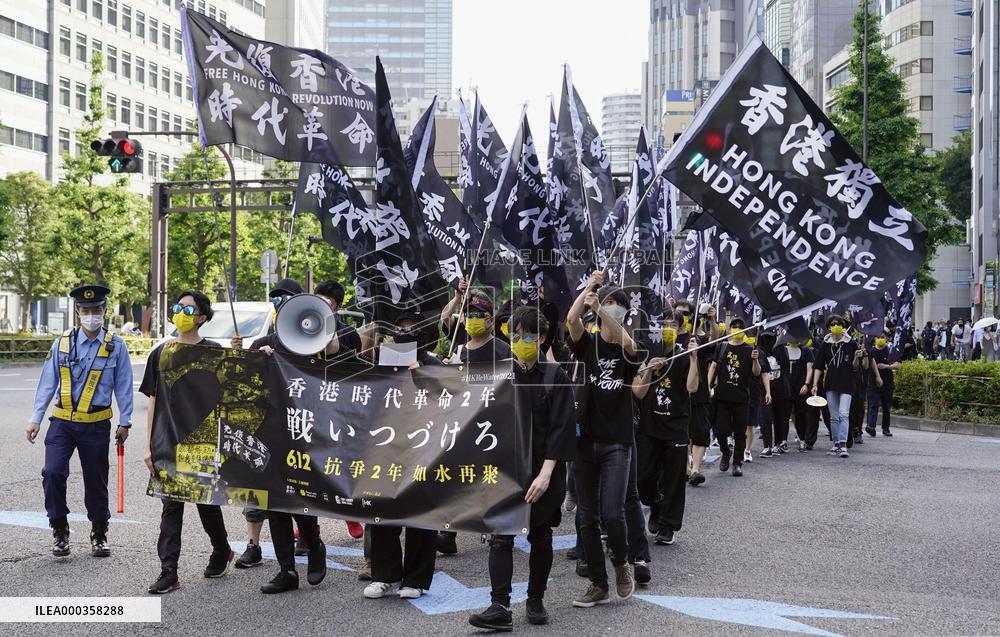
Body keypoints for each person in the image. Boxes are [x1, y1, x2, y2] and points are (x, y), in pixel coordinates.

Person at [468, 306, 576, 631]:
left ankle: (535, 598)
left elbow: (562, 428)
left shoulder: (555, 375)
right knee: (501, 538)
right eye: (514, 334)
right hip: (506, 472)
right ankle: (499, 606)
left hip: (545, 473)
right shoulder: (501, 373)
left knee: (540, 538)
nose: (519, 341)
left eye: (527, 335)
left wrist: (545, 474)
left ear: (542, 338)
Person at [26, 284, 133, 558]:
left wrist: (126, 421)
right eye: (86, 310)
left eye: (96, 310)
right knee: (52, 472)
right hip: (62, 422)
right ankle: (59, 529)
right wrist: (35, 418)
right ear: (77, 312)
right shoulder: (61, 344)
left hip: (96, 424)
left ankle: (99, 532)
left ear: (104, 311)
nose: (91, 315)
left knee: (96, 480)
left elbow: (123, 386)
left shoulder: (116, 347)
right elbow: (47, 384)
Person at [143, 291, 235, 594]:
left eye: (188, 308)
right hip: (167, 442)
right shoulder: (162, 352)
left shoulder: (213, 351)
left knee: (206, 502)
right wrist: (149, 446)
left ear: (201, 318)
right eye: (177, 307)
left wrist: (237, 354)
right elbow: (153, 400)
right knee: (171, 506)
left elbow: (233, 391)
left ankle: (222, 549)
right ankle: (168, 570)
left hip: (203, 442)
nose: (181, 312)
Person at [566, 271, 640, 608]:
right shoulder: (586, 345)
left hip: (617, 443)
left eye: (617, 307)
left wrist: (601, 310)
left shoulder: (629, 347)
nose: (611, 309)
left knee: (613, 512)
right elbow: (570, 319)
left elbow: (626, 343)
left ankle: (622, 564)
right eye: (608, 303)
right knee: (587, 517)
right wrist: (589, 288)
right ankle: (598, 583)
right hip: (585, 442)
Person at [364, 309, 439, 601]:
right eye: (401, 326)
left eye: (412, 326)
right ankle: (385, 575)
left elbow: (450, 401)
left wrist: (423, 374)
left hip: (423, 450)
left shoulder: (433, 362)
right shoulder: (383, 359)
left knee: (420, 514)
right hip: (387, 448)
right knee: (383, 512)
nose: (406, 331)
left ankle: (416, 579)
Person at [437, 289, 511, 556]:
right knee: (455, 478)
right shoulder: (458, 350)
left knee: (489, 479)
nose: (474, 319)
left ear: (491, 320)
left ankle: (496, 527)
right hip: (460, 424)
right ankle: (448, 532)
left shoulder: (502, 350)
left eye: (481, 315)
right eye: (470, 314)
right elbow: (444, 316)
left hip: (491, 425)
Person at [632, 309, 699, 548]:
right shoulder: (645, 354)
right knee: (643, 479)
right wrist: (649, 368)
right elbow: (638, 392)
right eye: (662, 324)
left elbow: (692, 387)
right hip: (649, 427)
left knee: (673, 479)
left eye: (672, 325)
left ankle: (668, 526)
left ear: (680, 329)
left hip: (676, 428)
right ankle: (656, 504)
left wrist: (694, 359)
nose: (666, 329)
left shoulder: (684, 355)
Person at [706, 318, 768, 477]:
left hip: (741, 397)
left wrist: (755, 359)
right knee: (720, 430)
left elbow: (756, 372)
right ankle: (726, 452)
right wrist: (708, 385)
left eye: (740, 327)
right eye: (734, 327)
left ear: (744, 330)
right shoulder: (722, 346)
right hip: (722, 396)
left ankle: (737, 463)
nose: (736, 330)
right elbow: (713, 366)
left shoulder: (750, 350)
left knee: (740, 432)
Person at [673, 300, 714, 487]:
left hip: (699, 394)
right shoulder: (667, 338)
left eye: (686, 313)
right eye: (678, 312)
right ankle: (684, 469)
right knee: (681, 433)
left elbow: (714, 338)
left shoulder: (697, 340)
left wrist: (711, 320)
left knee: (699, 431)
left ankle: (696, 469)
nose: (682, 316)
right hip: (676, 393)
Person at [812, 315, 862, 458]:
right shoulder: (825, 344)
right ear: (828, 327)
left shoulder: (851, 343)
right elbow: (819, 366)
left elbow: (855, 367)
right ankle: (835, 443)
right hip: (831, 384)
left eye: (839, 323)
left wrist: (857, 357)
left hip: (847, 383)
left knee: (843, 414)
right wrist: (815, 384)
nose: (836, 326)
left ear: (843, 326)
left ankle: (843, 444)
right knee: (833, 416)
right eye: (833, 324)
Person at [758, 331, 790, 457]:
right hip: (763, 389)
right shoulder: (759, 351)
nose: (768, 340)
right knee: (765, 417)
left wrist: (787, 387)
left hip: (780, 387)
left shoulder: (781, 349)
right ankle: (767, 445)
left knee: (780, 416)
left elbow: (786, 368)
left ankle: (778, 443)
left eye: (771, 337)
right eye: (765, 337)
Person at [784, 338, 816, 452]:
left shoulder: (806, 350)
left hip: (800, 388)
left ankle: (802, 440)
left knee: (801, 415)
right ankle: (783, 441)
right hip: (785, 388)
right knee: (784, 415)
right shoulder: (783, 349)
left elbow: (810, 368)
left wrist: (806, 384)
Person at [866, 332, 895, 437]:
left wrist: (886, 366)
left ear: (886, 338)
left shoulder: (891, 351)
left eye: (882, 337)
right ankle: (871, 426)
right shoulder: (871, 351)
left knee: (886, 407)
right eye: (878, 337)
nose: (880, 339)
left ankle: (886, 428)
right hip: (873, 383)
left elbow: (898, 365)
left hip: (887, 383)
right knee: (873, 404)